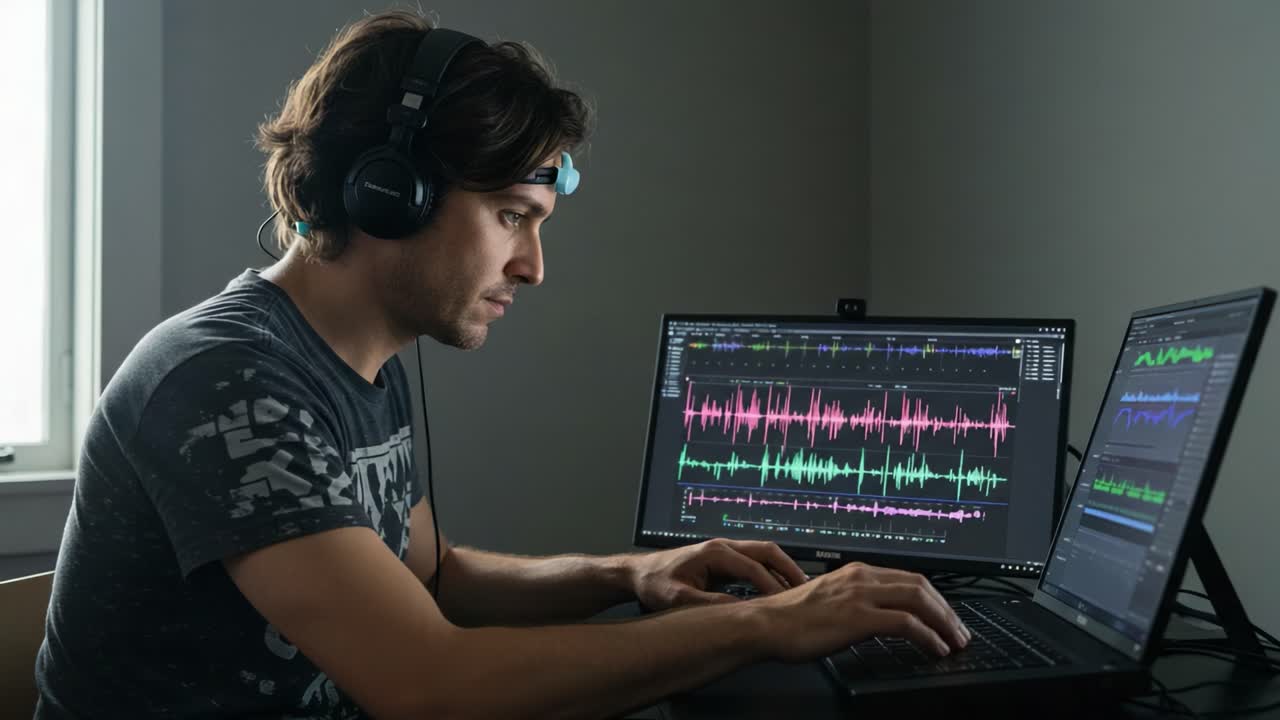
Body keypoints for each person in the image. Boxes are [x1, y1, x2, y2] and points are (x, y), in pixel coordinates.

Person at [34, 10, 968, 719]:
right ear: (386, 193)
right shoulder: (225, 384)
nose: (532, 266)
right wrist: (765, 623)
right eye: (513, 217)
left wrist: (629, 576)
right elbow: (428, 684)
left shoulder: (361, 356)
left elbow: (430, 579)